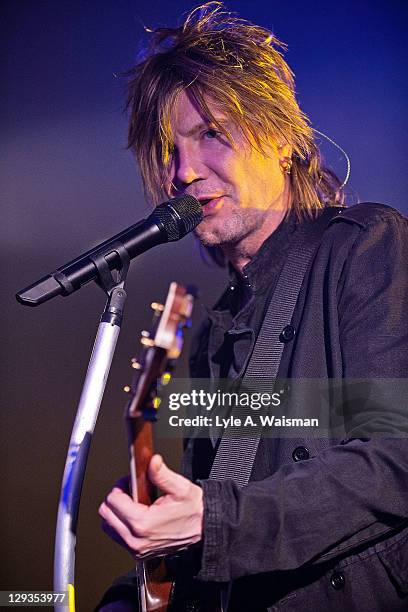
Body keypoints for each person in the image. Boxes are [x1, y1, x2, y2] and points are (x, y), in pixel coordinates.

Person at [97, 3, 408, 610]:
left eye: (211, 134)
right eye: (167, 150)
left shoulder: (363, 247)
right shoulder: (216, 333)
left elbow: (394, 456)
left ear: (283, 137)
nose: (183, 172)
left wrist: (215, 522)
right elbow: (211, 517)